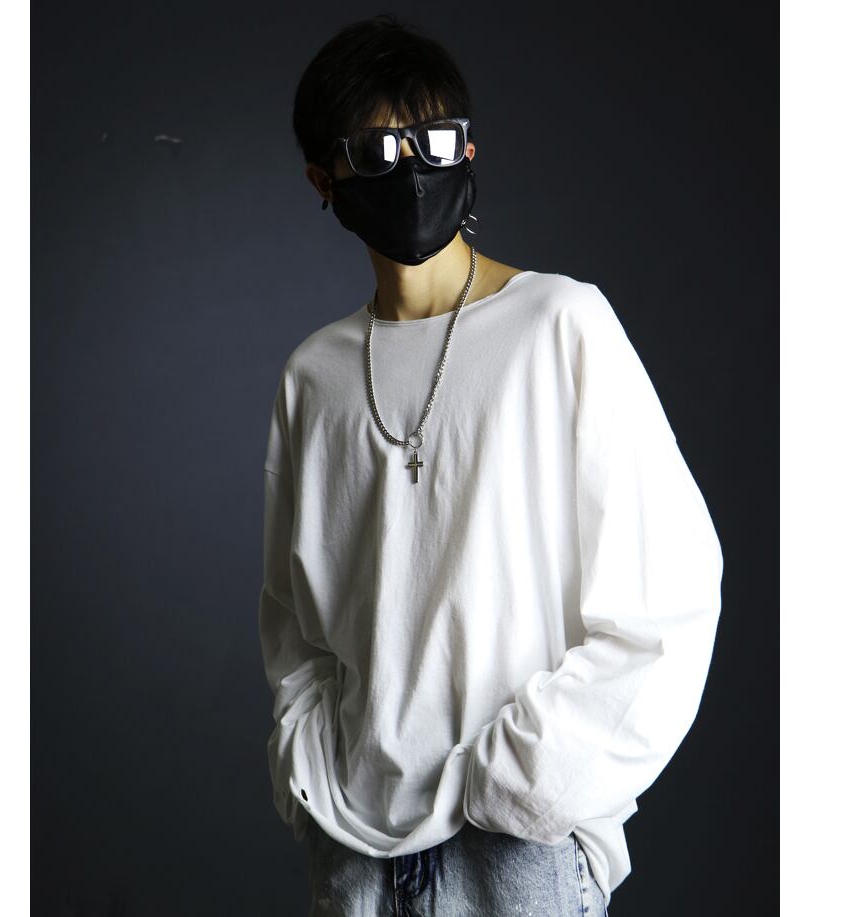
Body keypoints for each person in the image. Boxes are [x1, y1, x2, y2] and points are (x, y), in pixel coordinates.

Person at [258, 13, 724, 916]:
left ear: (467, 150)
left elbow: (669, 597)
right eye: (375, 152)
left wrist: (519, 781)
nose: (410, 170)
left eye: (432, 141)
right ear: (324, 179)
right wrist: (307, 772)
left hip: (514, 851)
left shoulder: (559, 324)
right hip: (354, 853)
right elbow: (294, 627)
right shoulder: (313, 376)